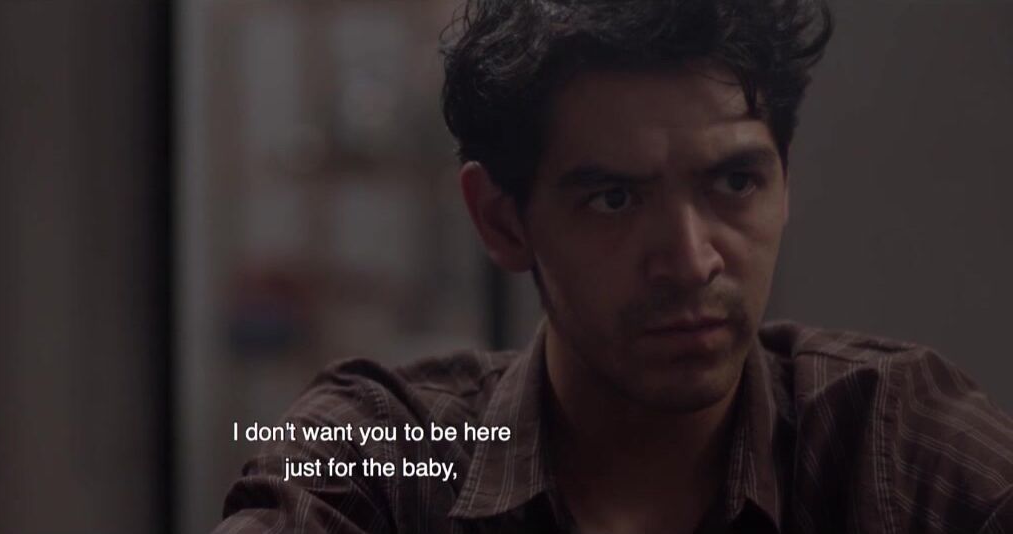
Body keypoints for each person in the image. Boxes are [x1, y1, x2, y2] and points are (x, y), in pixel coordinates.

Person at [214, 0, 1013, 532]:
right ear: (502, 221)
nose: (691, 262)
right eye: (614, 199)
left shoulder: (890, 440)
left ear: (785, 180)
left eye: (736, 183)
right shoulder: (382, 454)